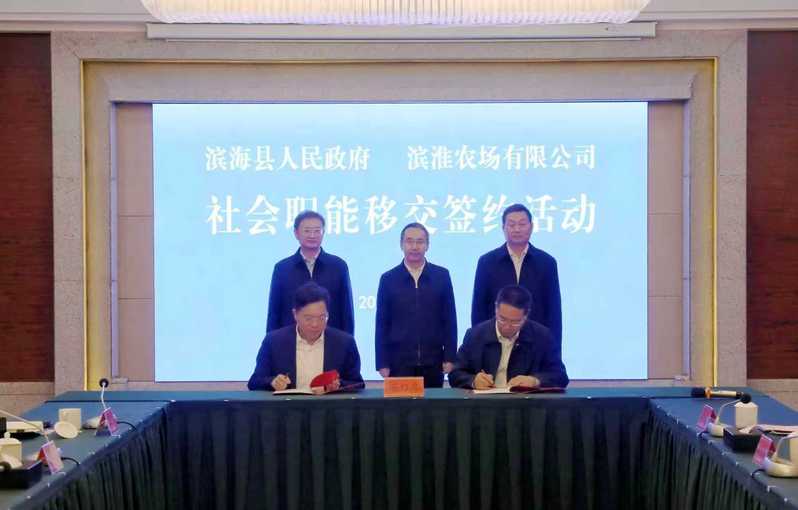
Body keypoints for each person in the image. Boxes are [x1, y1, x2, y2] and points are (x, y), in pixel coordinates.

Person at [471, 203, 562, 356]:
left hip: (535, 345)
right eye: (511, 224)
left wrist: (554, 352)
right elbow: (478, 308)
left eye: (522, 224)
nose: (517, 229)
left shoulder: (546, 263)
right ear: (503, 228)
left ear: (531, 227)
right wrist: (478, 348)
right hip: (495, 345)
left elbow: (553, 311)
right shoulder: (487, 262)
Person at [375, 223, 457, 388]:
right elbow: (382, 323)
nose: (414, 246)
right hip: (399, 363)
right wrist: (382, 362)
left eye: (420, 241)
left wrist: (450, 357)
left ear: (427, 245)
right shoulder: (388, 279)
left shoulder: (441, 276)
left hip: (433, 361)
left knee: (432, 405)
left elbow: (449, 319)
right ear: (401, 245)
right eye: (409, 241)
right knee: (400, 405)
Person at [248, 282, 364, 391]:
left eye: (322, 317)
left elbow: (358, 384)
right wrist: (272, 382)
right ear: (295, 314)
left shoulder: (345, 343)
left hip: (328, 406)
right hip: (288, 405)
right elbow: (254, 382)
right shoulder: (273, 341)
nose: (315, 324)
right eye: (308, 318)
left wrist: (338, 385)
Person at [449, 285, 568, 390]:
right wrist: (473, 381)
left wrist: (535, 381)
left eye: (515, 322)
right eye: (502, 319)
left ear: (526, 316)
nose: (507, 326)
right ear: (496, 309)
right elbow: (455, 373)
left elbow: (560, 376)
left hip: (524, 403)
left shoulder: (542, 337)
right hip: (484, 403)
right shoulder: (475, 335)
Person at [266, 210, 354, 334]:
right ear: (296, 233)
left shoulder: (338, 266)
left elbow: (347, 313)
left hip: (331, 341)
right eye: (307, 231)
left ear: (323, 233)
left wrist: (348, 343)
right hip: (290, 341)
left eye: (317, 231)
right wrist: (272, 343)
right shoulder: (282, 268)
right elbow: (274, 313)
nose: (312, 235)